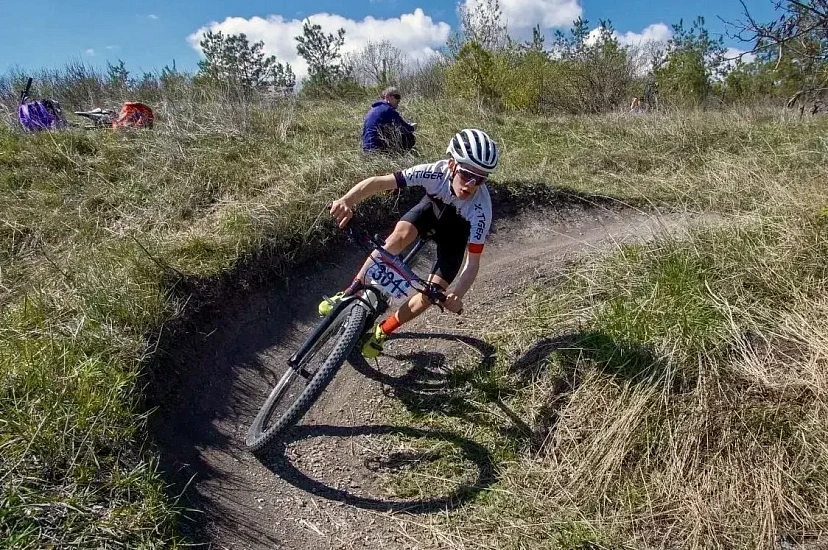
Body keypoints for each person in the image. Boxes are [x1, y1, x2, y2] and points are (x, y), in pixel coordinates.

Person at [321, 128, 499, 358]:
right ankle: (350, 293)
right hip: (428, 213)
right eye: (466, 174)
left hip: (455, 236)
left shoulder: (482, 209)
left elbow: (473, 262)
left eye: (480, 179)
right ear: (452, 165)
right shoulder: (435, 172)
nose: (470, 185)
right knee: (398, 236)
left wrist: (458, 294)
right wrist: (347, 200)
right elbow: (379, 183)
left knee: (434, 293)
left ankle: (383, 331)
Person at [361, 86, 417, 154]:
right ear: (387, 97)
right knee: (409, 137)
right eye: (396, 96)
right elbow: (404, 128)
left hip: (367, 150)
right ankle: (395, 158)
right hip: (377, 150)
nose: (399, 100)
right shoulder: (387, 110)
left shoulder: (372, 110)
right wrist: (412, 127)